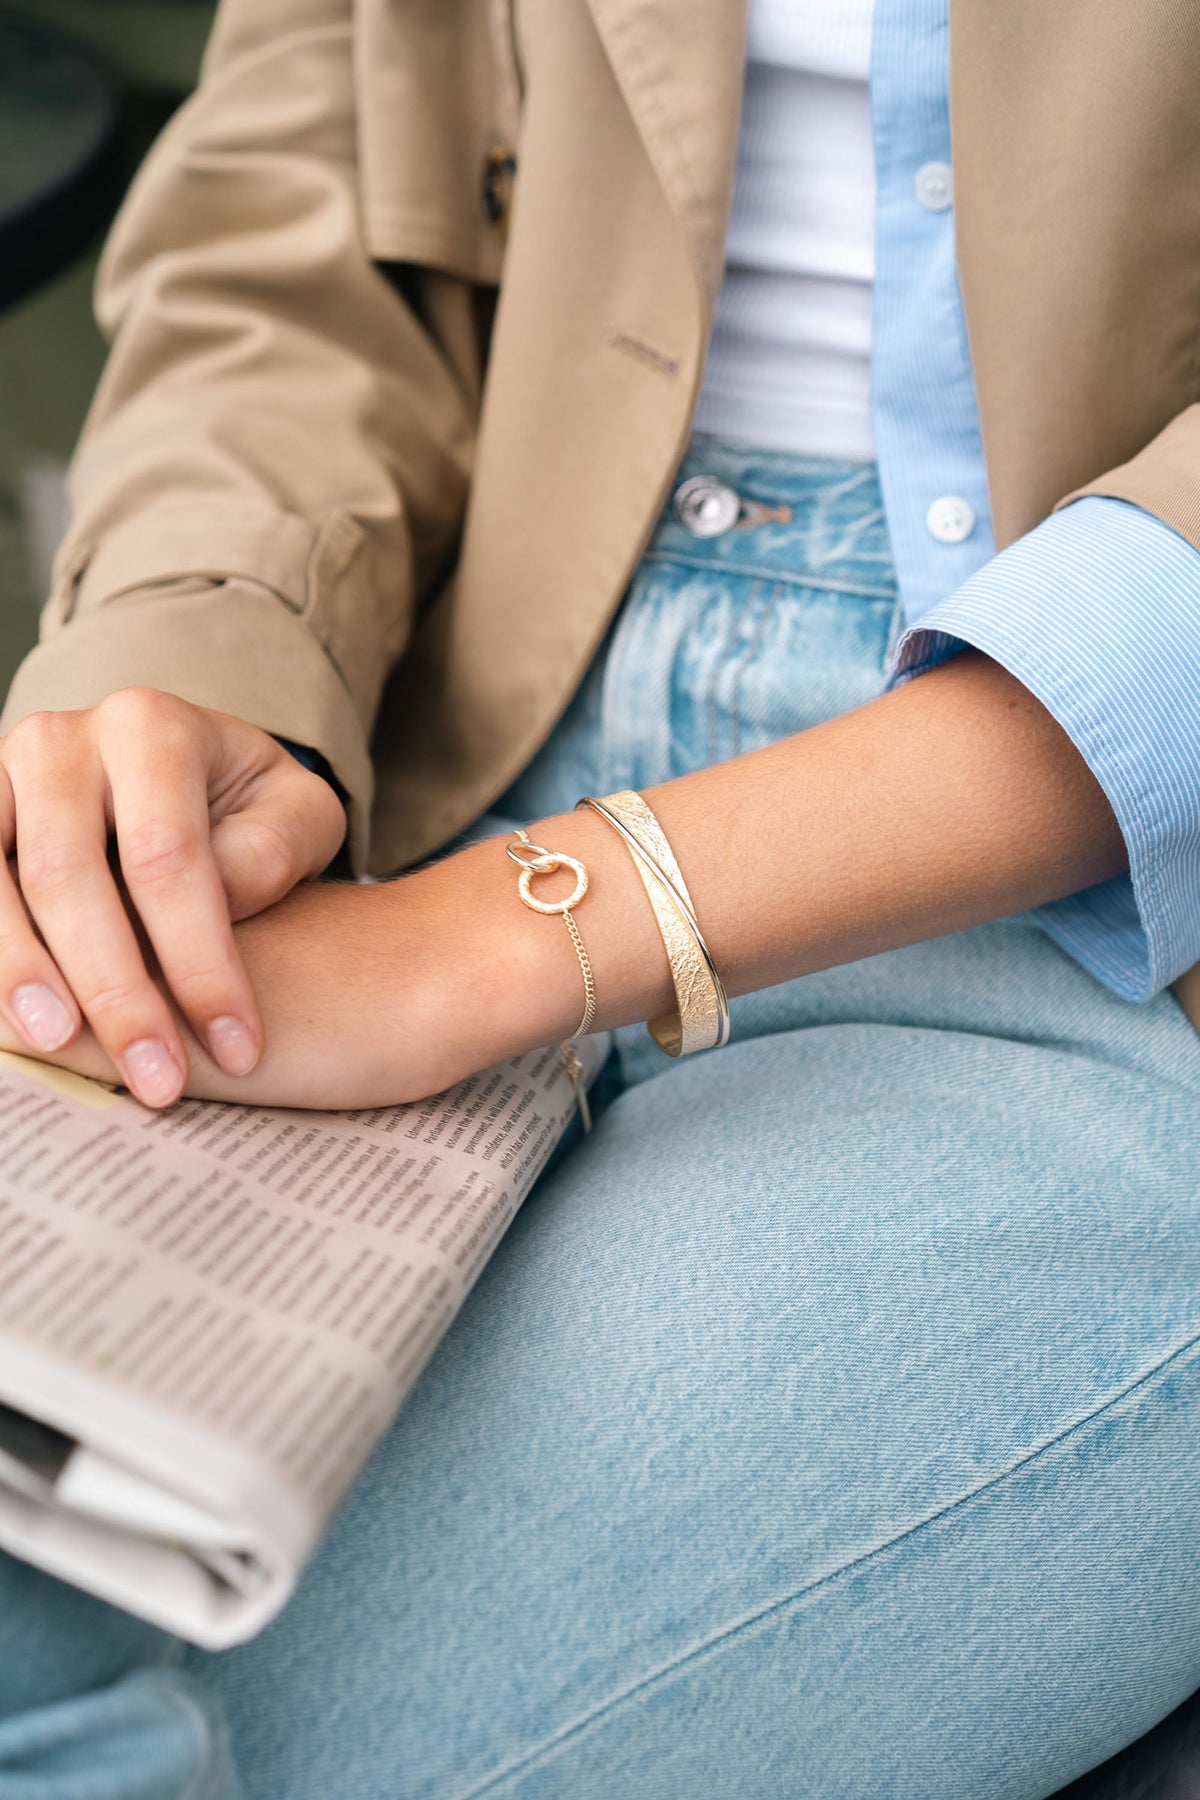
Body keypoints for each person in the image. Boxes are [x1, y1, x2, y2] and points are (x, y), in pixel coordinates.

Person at [1, 0, 1199, 1793]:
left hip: (1098, 894)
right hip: (428, 733)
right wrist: (209, 673)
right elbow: (296, 193)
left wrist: (510, 927)